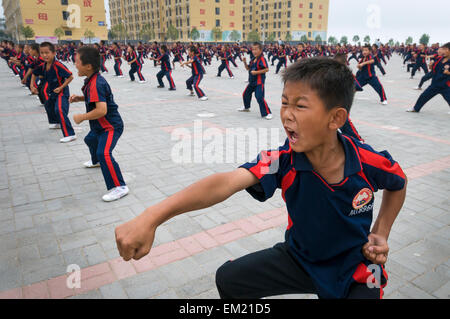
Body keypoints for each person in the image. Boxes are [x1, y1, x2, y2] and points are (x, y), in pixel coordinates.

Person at [114, 57, 407, 299]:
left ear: (336, 118)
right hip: (299, 259)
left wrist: (381, 231)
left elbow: (398, 182)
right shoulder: (282, 162)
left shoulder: (367, 161)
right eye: (284, 103)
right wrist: (152, 216)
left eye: (300, 106)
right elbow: (226, 182)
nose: (287, 115)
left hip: (355, 266)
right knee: (230, 279)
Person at [70, 46, 129, 202]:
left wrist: (82, 117)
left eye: (77, 62)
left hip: (110, 127)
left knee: (104, 153)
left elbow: (101, 110)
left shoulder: (96, 83)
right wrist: (80, 98)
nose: (75, 64)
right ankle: (96, 162)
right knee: (89, 140)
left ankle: (119, 187)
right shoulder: (92, 80)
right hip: (99, 127)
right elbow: (95, 98)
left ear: (88, 66)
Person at [30, 42, 76, 142]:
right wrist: (32, 85)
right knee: (48, 105)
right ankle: (56, 122)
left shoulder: (58, 65)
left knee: (59, 109)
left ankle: (70, 134)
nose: (44, 55)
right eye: (42, 53)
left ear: (54, 53)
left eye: (47, 52)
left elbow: (70, 76)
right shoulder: (43, 66)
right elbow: (34, 73)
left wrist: (61, 87)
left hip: (62, 92)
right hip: (52, 92)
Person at [407, 42, 450, 113]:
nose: (443, 51)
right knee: (423, 96)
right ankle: (415, 109)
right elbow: (433, 70)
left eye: (445, 49)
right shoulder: (440, 59)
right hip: (435, 84)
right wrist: (430, 65)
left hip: (446, 86)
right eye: (443, 49)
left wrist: (448, 72)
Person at [237, 42, 272, 120]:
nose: (254, 51)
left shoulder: (262, 59)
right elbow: (248, 68)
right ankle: (246, 107)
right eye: (253, 49)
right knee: (245, 94)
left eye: (256, 49)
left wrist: (256, 72)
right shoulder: (253, 59)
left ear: (260, 50)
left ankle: (268, 113)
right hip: (252, 82)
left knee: (259, 97)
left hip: (259, 82)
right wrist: (245, 62)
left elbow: (267, 69)